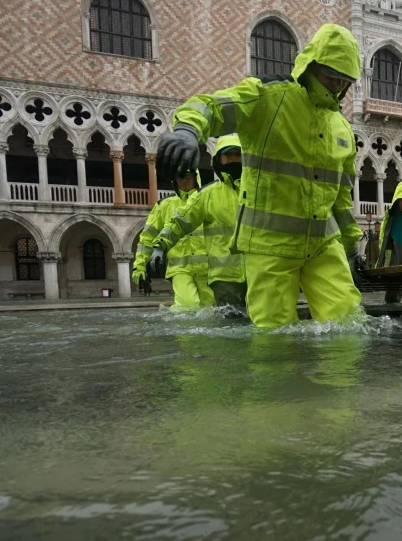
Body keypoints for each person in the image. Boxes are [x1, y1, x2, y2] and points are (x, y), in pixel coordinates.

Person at [155, 23, 363, 329]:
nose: (336, 86)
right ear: (310, 65)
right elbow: (211, 105)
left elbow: (341, 199)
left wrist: (351, 247)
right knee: (274, 335)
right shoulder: (269, 97)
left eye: (343, 81)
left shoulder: (342, 127)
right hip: (270, 245)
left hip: (322, 245)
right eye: (330, 76)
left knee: (349, 325)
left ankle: (343, 378)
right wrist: (187, 130)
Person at [154, 135, 247, 308]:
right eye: (228, 155)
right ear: (219, 160)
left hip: (259, 272)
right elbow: (181, 221)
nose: (233, 159)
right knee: (230, 326)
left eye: (237, 154)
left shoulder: (259, 191)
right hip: (224, 277)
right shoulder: (207, 194)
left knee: (263, 322)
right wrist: (160, 245)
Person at [133, 167, 212, 310]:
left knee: (210, 310)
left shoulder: (207, 201)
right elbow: (147, 237)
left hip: (207, 269)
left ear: (196, 178)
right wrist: (139, 266)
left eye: (188, 177)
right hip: (179, 268)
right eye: (180, 178)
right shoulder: (164, 205)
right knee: (188, 306)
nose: (184, 181)